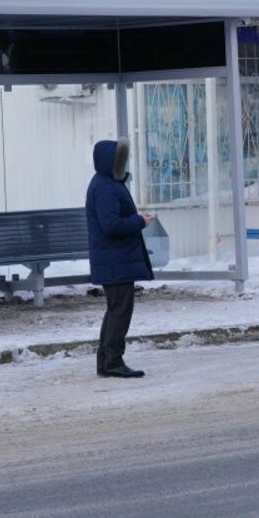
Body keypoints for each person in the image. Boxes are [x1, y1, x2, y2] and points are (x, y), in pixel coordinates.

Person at [86, 138, 156, 379]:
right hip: (115, 260)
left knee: (115, 310)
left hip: (115, 259)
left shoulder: (106, 183)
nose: (124, 164)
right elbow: (111, 225)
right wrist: (140, 221)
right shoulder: (105, 187)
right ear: (111, 162)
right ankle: (113, 361)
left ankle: (106, 361)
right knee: (120, 312)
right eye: (120, 160)